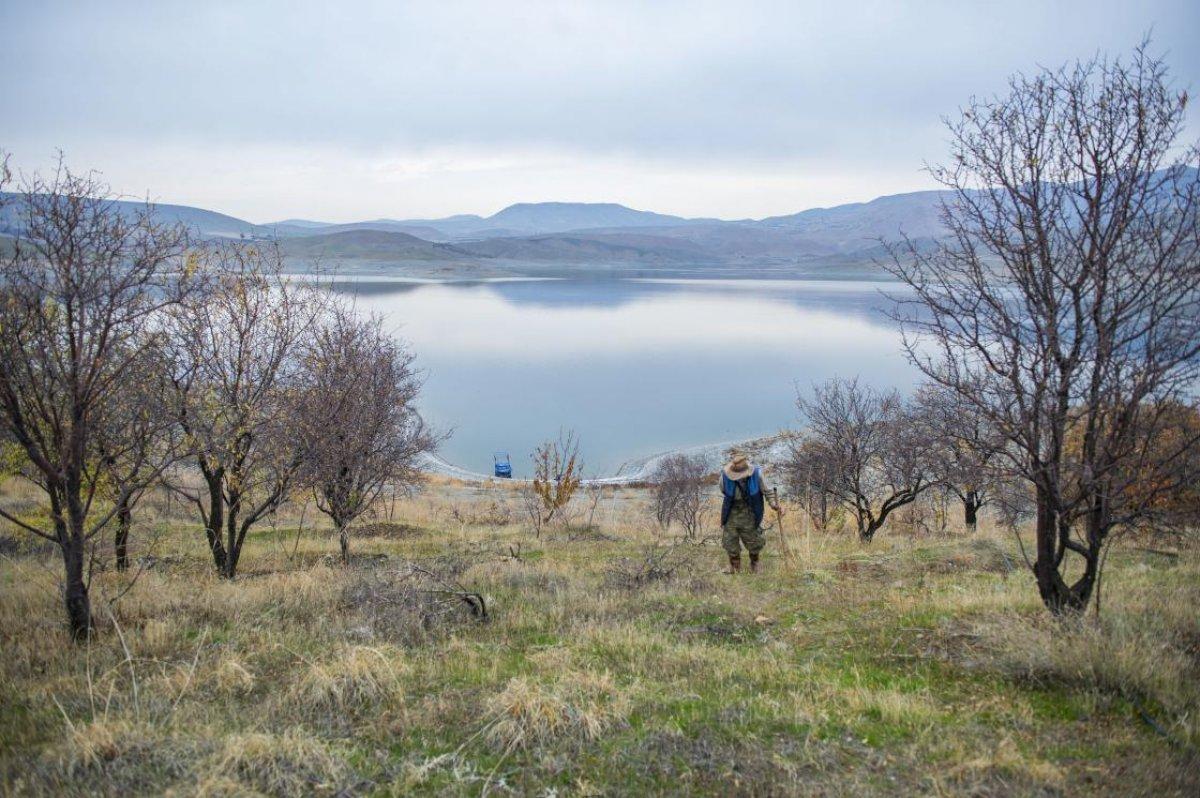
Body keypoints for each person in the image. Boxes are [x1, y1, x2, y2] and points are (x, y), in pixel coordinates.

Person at [719, 452, 779, 574]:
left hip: (750, 510)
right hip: (732, 510)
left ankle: (755, 563)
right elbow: (724, 490)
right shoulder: (724, 476)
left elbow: (767, 491)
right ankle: (734, 566)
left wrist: (773, 504)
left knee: (753, 539)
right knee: (730, 539)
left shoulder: (757, 474)